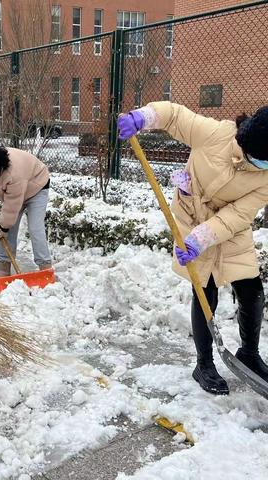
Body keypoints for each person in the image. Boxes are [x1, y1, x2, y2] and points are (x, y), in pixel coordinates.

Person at [118, 101, 268, 395]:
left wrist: (203, 238)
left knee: (251, 289)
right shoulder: (215, 134)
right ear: (247, 143)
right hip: (193, 214)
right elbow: (174, 115)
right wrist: (143, 117)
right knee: (205, 289)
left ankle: (249, 354)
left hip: (231, 227)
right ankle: (204, 364)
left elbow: (239, 215)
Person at [0, 141, 52, 277]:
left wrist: (3, 229)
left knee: (35, 228)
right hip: (17, 189)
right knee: (8, 229)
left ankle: (45, 268)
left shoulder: (12, 173)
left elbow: (11, 206)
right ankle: (4, 268)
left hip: (37, 185)